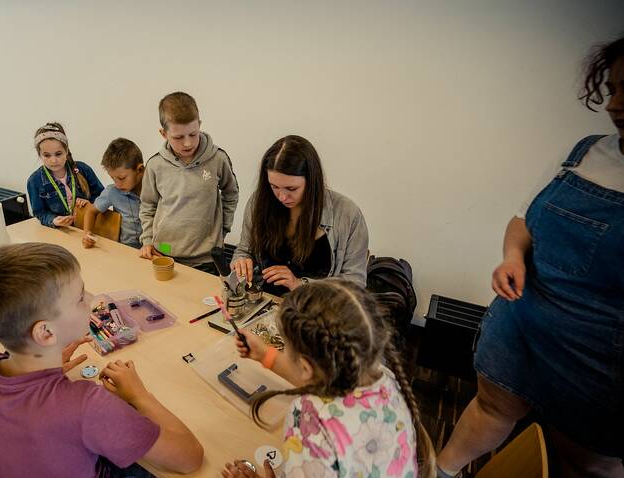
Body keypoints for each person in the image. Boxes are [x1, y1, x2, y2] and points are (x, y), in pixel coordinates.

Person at [436, 36, 624, 478]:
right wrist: (513, 258)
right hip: (522, 323)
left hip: (598, 358)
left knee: (583, 458)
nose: (615, 104)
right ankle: (440, 471)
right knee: (491, 406)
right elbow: (522, 219)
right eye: (612, 89)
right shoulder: (584, 153)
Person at [0, 243, 204, 477]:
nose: (92, 299)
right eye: (80, 297)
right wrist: (138, 395)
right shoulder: (88, 405)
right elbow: (189, 458)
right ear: (46, 332)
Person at [221, 279, 434, 478]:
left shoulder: (309, 421)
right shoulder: (384, 377)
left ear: (306, 367)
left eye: (285, 349)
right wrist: (264, 354)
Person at [231, 135, 369, 296]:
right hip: (267, 302)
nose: (282, 197)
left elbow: (355, 284)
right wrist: (241, 263)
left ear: (312, 181)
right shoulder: (260, 201)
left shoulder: (347, 214)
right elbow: (244, 250)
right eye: (274, 186)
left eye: (291, 189)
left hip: (318, 307)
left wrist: (299, 285)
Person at [139, 91, 239, 274]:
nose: (187, 143)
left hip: (206, 258)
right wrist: (147, 240)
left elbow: (231, 193)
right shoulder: (155, 165)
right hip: (164, 251)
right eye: (178, 137)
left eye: (193, 134)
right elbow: (148, 205)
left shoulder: (218, 159)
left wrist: (222, 229)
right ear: (163, 133)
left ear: (199, 125)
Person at [27, 122, 104, 228]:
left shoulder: (83, 169)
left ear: (66, 151)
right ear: (39, 155)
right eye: (47, 155)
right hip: (61, 231)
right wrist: (54, 220)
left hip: (88, 227)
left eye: (58, 154)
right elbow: (39, 212)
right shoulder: (34, 181)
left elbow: (102, 196)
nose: (53, 160)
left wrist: (90, 204)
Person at [82, 138, 145, 249]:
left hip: (158, 246)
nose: (118, 184)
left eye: (122, 178)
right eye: (113, 178)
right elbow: (91, 211)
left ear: (140, 170)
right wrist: (87, 234)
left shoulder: (156, 188)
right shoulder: (112, 192)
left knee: (170, 251)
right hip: (127, 248)